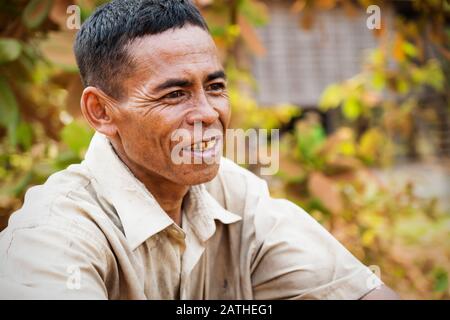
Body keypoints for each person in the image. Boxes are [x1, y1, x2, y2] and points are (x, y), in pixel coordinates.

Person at [0, 0, 399, 299]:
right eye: (175, 94)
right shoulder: (54, 236)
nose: (208, 114)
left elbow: (360, 293)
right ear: (101, 111)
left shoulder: (236, 195)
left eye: (215, 87)